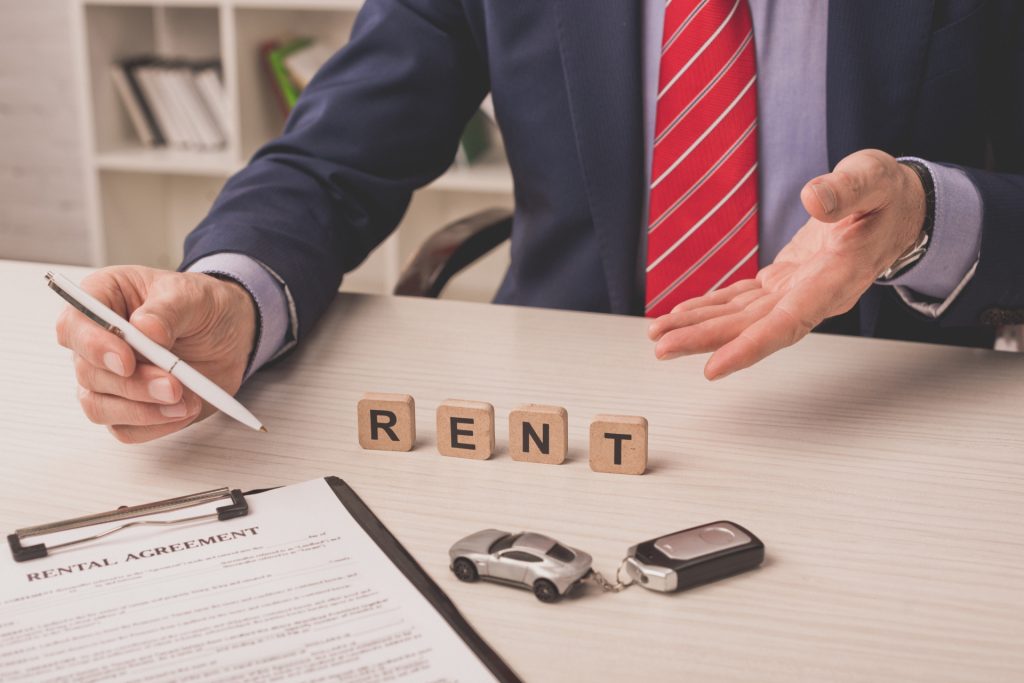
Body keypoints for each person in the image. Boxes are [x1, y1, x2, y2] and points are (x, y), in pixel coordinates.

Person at [56, 0, 1024, 443]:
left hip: (889, 412)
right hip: (567, 413)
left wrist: (926, 218)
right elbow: (331, 156)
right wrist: (233, 292)